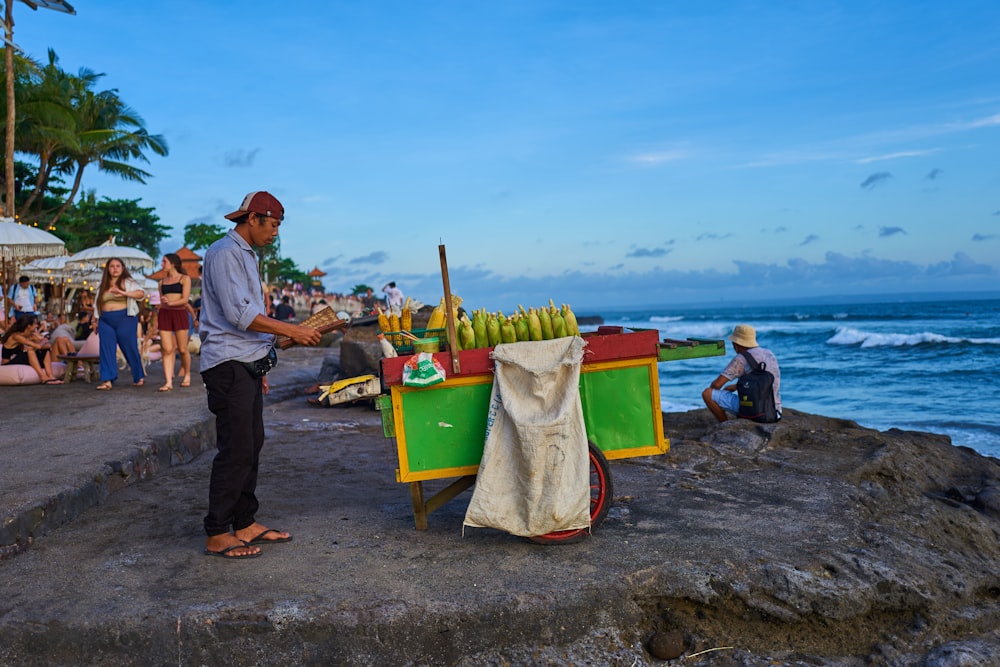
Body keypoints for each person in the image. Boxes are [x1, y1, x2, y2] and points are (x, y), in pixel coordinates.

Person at [199, 190, 322, 560]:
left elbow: (249, 317)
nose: (275, 233)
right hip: (226, 362)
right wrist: (294, 331)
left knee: (252, 444)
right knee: (235, 448)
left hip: (246, 361)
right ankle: (218, 531)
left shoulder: (246, 256)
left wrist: (263, 356)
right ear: (252, 219)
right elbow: (240, 316)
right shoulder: (224, 253)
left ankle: (245, 521)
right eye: (273, 225)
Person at [702, 323, 782, 423]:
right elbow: (763, 381)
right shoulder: (769, 354)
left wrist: (719, 395)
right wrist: (735, 386)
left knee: (707, 393)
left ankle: (725, 424)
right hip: (775, 411)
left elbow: (716, 385)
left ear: (736, 344)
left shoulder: (741, 358)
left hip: (755, 411)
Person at [93, 257, 146, 390]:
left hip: (125, 318)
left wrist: (123, 292)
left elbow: (141, 294)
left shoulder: (128, 282)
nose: (115, 269)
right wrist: (95, 319)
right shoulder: (103, 284)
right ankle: (107, 379)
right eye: (112, 266)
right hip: (105, 319)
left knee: (129, 347)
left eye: (118, 266)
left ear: (122, 268)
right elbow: (97, 303)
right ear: (108, 269)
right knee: (106, 348)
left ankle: (138, 375)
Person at [156, 253, 193, 392]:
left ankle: (187, 374)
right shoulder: (161, 282)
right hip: (164, 314)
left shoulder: (184, 279)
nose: (162, 264)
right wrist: (161, 303)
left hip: (179, 313)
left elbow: (185, 299)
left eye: (164, 261)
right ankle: (168, 382)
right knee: (166, 349)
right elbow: (161, 299)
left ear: (173, 263)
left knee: (183, 349)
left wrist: (171, 302)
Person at [1, 314, 64, 384]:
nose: (37, 326)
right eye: (35, 324)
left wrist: (40, 341)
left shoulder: (29, 335)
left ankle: (50, 376)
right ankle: (43, 378)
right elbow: (38, 346)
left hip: (18, 358)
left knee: (43, 350)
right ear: (29, 326)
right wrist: (42, 342)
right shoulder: (16, 336)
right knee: (30, 350)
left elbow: (47, 345)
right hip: (8, 363)